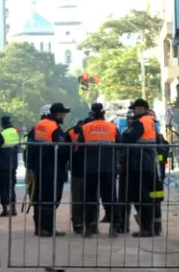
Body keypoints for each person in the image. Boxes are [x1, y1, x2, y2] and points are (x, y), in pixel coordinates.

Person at [121, 98, 164, 237]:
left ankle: (146, 228)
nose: (135, 111)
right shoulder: (151, 122)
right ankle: (154, 226)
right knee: (150, 196)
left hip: (140, 163)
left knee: (141, 196)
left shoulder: (141, 123)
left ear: (144, 109)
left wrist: (126, 133)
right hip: (148, 163)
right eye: (134, 109)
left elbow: (127, 138)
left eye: (137, 109)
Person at [77, 103, 120, 237]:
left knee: (89, 198)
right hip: (108, 167)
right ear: (104, 113)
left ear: (92, 114)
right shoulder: (112, 127)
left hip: (91, 168)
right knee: (110, 197)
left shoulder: (86, 127)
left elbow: (80, 147)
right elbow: (120, 144)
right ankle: (113, 227)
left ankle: (88, 228)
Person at [30, 103, 69, 236]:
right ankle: (46, 229)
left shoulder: (39, 125)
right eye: (63, 114)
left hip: (39, 166)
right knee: (52, 198)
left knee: (39, 196)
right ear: (58, 114)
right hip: (52, 167)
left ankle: (40, 227)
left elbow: (31, 145)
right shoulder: (55, 128)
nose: (64, 116)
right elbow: (62, 149)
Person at [0, 116, 20, 216]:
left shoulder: (1, 134)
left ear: (2, 123)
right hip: (13, 164)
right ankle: (13, 208)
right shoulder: (15, 132)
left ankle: (5, 209)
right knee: (11, 186)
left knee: (2, 187)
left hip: (2, 164)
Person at [66, 115, 88, 234]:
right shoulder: (71, 133)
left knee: (89, 198)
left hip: (90, 170)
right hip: (78, 170)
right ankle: (78, 224)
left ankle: (90, 224)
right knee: (78, 198)